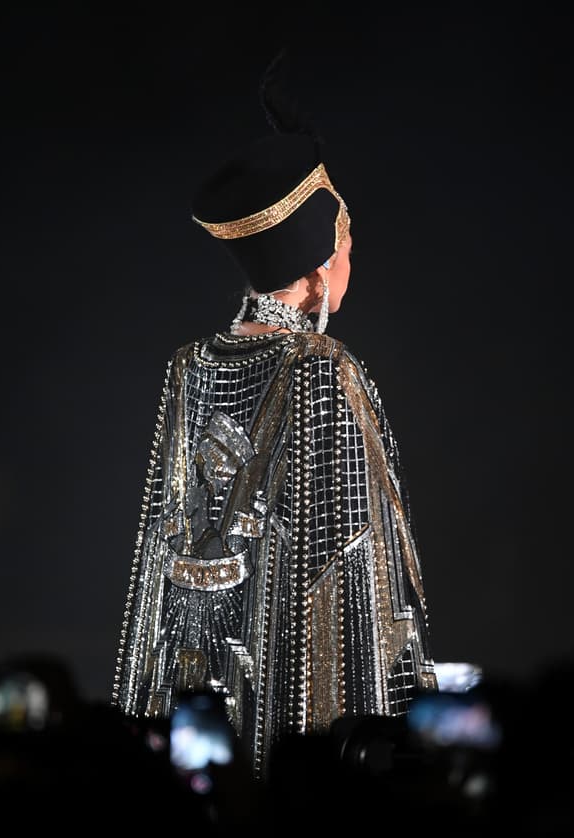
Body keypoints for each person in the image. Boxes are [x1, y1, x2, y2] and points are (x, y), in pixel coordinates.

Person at [111, 59, 437, 778]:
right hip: (292, 712)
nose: (353, 259)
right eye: (348, 245)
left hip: (193, 687)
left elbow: (167, 548)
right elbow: (360, 560)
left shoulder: (187, 368)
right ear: (322, 267)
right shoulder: (326, 367)